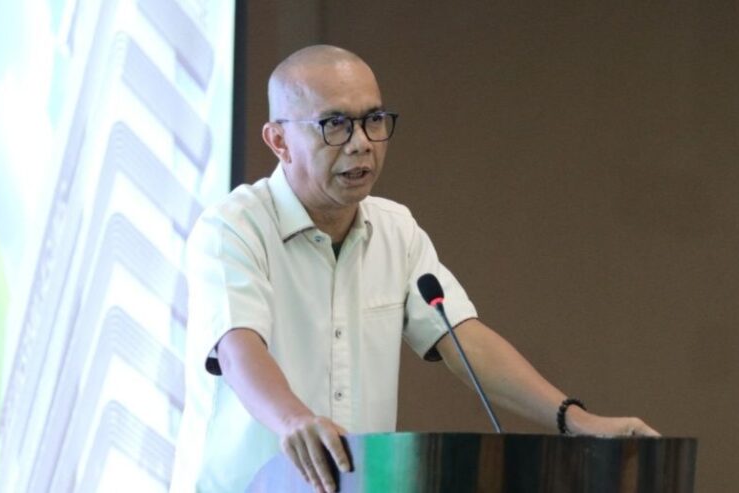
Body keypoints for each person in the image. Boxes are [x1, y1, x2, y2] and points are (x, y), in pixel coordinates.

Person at [170, 45, 658, 493]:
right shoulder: (233, 228)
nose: (361, 143)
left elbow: (464, 340)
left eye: (373, 120)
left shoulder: (396, 230)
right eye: (334, 124)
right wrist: (294, 420)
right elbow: (238, 348)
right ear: (279, 140)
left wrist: (576, 421)